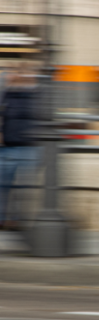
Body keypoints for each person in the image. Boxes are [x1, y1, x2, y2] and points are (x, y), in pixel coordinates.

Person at [0, 63, 39, 230]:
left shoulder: (37, 93)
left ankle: (17, 220)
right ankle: (3, 219)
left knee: (23, 188)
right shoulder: (6, 93)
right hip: (8, 147)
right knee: (3, 186)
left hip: (30, 148)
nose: (10, 76)